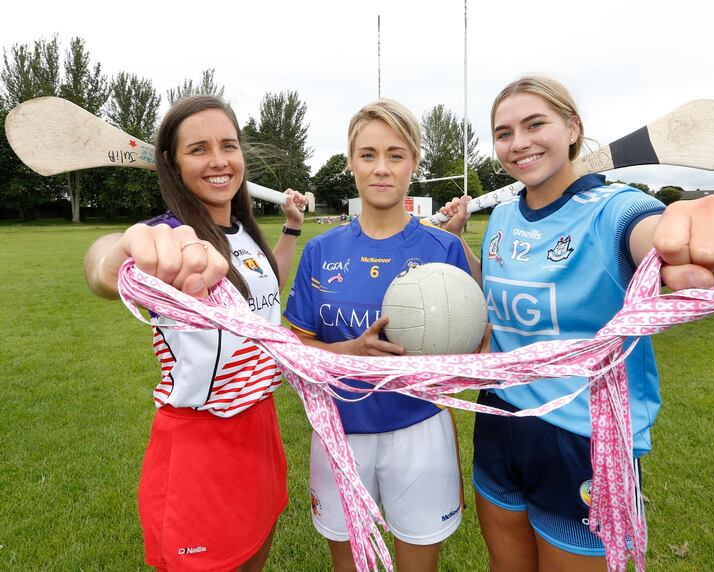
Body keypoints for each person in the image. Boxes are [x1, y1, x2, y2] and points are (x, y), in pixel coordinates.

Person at [439, 75, 714, 572]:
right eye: (504, 132)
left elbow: (651, 233)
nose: (518, 142)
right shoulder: (502, 219)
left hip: (583, 435)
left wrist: (690, 227)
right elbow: (492, 297)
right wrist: (457, 244)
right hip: (501, 416)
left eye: (535, 124)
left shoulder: (614, 209)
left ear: (573, 128)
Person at [83, 95, 306, 572]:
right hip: (200, 443)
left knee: (253, 559)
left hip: (260, 426)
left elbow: (265, 293)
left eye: (228, 145)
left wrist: (290, 230)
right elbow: (105, 266)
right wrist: (117, 254)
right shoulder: (169, 236)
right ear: (172, 162)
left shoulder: (244, 230)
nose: (219, 160)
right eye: (198, 149)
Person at [283, 99, 471, 572]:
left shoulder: (444, 248)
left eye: (396, 154)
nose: (381, 168)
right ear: (351, 162)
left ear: (414, 162)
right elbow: (295, 351)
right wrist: (349, 353)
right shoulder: (321, 250)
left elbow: (470, 348)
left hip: (420, 429)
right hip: (339, 432)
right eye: (368, 155)